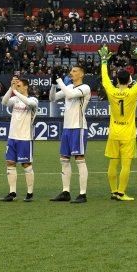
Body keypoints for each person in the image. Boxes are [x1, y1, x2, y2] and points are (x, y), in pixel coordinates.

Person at [99, 45, 137, 201]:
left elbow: (105, 79)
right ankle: (121, 193)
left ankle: (114, 191)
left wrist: (103, 62)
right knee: (126, 165)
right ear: (129, 80)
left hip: (114, 131)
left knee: (113, 163)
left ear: (117, 80)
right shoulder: (132, 92)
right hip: (127, 133)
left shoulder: (111, 90)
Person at [49, 64, 91, 203]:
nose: (71, 73)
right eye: (71, 71)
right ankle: (65, 191)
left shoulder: (84, 88)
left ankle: (82, 194)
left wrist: (60, 80)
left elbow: (70, 94)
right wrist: (54, 84)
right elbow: (52, 98)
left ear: (82, 74)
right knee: (64, 160)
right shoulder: (69, 87)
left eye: (75, 71)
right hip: (67, 128)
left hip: (78, 127)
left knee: (79, 159)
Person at [0, 76, 39, 202]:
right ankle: (12, 193)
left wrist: (15, 91)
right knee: (10, 163)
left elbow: (29, 103)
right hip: (12, 137)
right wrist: (11, 89)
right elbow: (4, 102)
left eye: (19, 85)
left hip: (25, 138)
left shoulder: (33, 99)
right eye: (16, 86)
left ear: (26, 87)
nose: (17, 87)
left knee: (26, 164)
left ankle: (30, 193)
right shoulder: (15, 99)